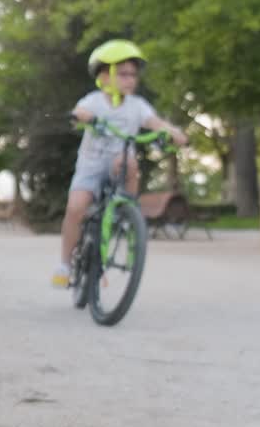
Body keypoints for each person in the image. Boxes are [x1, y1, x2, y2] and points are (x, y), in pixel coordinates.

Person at [53, 40, 188, 288]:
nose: (130, 80)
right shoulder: (94, 101)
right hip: (91, 165)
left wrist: (174, 132)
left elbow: (156, 123)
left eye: (133, 75)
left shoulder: (137, 106)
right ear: (104, 77)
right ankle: (64, 263)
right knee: (76, 208)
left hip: (119, 163)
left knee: (128, 161)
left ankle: (127, 210)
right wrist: (86, 117)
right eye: (123, 74)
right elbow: (79, 112)